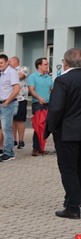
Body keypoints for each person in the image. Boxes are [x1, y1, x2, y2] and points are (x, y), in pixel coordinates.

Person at [46, 48, 81, 219]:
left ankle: (72, 207)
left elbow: (56, 108)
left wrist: (51, 127)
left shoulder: (62, 80)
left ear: (66, 63)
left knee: (68, 169)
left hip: (68, 132)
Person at [0, 54, 21, 162]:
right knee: (4, 128)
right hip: (2, 104)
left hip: (8, 104)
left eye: (1, 63)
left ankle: (8, 153)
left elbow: (16, 89)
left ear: (7, 62)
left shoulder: (12, 72)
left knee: (6, 129)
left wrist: (6, 102)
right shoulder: (2, 74)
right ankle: (8, 151)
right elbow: (3, 89)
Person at [28, 57, 52, 156]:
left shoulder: (48, 77)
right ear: (39, 66)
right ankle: (36, 148)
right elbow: (31, 90)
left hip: (48, 104)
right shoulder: (32, 77)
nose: (47, 66)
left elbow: (52, 89)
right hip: (38, 104)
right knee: (38, 126)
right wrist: (38, 98)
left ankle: (42, 147)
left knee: (46, 126)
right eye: (45, 64)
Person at [9, 56, 29, 149]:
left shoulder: (23, 68)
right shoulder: (9, 70)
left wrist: (10, 76)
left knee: (20, 120)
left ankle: (21, 140)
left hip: (21, 98)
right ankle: (14, 140)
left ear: (16, 61)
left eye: (10, 61)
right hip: (11, 98)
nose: (8, 63)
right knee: (13, 120)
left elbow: (21, 76)